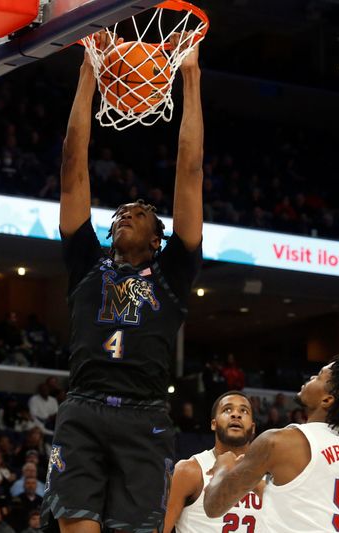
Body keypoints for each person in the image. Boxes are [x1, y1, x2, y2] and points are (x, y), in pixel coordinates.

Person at [40, 30, 204, 533]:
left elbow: (191, 169)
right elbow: (72, 165)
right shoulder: (87, 260)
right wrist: (89, 72)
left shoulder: (174, 268)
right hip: (83, 409)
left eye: (141, 212)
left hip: (145, 415)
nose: (127, 213)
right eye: (121, 213)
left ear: (160, 237)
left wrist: (191, 76)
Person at [204, 355, 339, 533]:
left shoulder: (279, 441)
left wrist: (222, 468)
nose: (311, 378)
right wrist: (261, 487)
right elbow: (314, 510)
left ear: (327, 400)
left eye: (319, 376)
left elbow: (214, 507)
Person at [164, 391, 263, 533]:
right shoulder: (190, 470)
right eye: (227, 410)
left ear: (253, 428)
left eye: (244, 411)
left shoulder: (268, 475)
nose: (236, 414)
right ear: (213, 424)